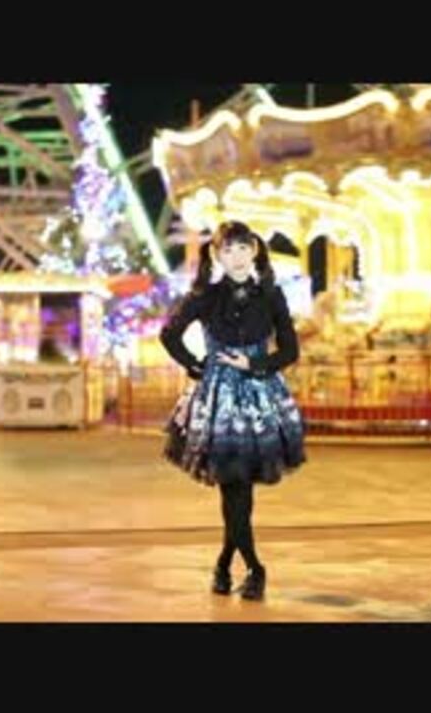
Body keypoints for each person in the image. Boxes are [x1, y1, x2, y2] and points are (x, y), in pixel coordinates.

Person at [160, 220, 306, 601]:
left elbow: (290, 350)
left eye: (243, 248)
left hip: (259, 400)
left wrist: (255, 364)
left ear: (254, 250)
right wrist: (196, 365)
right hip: (218, 401)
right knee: (233, 487)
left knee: (240, 490)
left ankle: (225, 564)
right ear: (217, 255)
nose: (237, 257)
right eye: (228, 250)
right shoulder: (206, 297)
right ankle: (255, 569)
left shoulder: (271, 296)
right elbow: (169, 334)